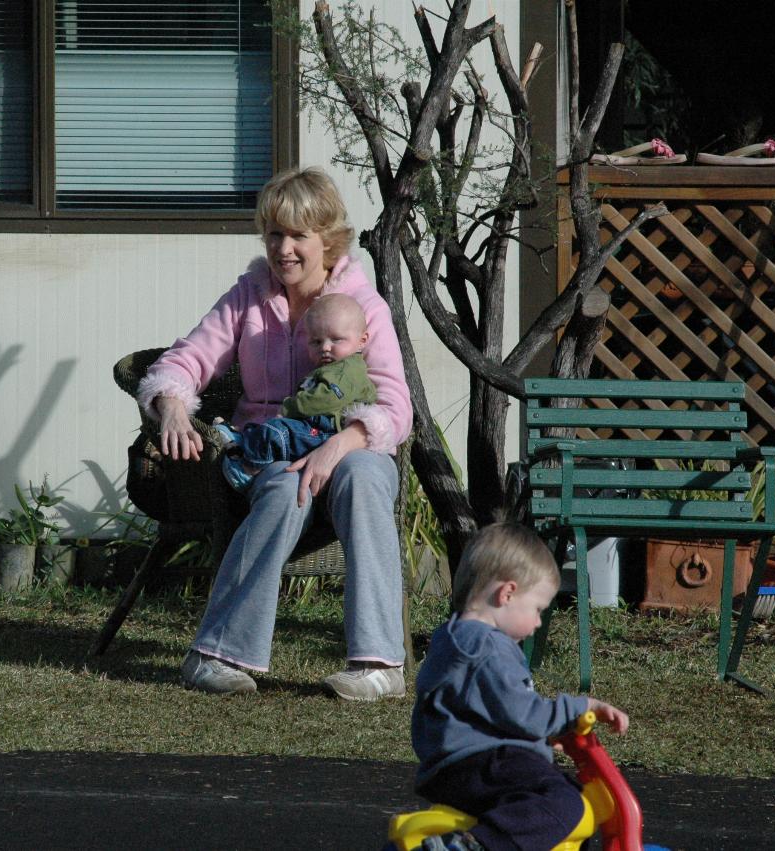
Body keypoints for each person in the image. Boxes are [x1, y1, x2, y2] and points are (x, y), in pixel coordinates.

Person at [134, 166, 412, 700]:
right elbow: (186, 360)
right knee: (287, 486)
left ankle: (379, 666)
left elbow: (395, 407)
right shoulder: (247, 296)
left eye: (298, 236)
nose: (283, 249)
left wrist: (341, 443)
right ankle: (214, 654)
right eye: (274, 234)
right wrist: (170, 405)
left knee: (368, 477)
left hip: (349, 441)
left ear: (327, 240)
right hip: (271, 447)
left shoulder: (363, 305)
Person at [411, 523, 630, 851]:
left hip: (452, 770)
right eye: (538, 609)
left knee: (562, 798)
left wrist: (536, 739)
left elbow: (486, 713)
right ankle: (476, 846)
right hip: (480, 765)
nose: (539, 622)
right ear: (507, 594)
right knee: (566, 804)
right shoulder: (489, 646)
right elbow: (523, 713)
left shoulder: (454, 638)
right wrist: (578, 708)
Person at [215, 292, 377, 492]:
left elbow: (325, 399)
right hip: (315, 425)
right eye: (316, 342)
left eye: (336, 339)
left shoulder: (347, 370)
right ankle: (241, 441)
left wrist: (290, 407)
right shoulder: (333, 367)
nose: (325, 347)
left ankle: (248, 468)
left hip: (328, 430)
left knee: (279, 432)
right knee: (273, 429)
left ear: (362, 340)